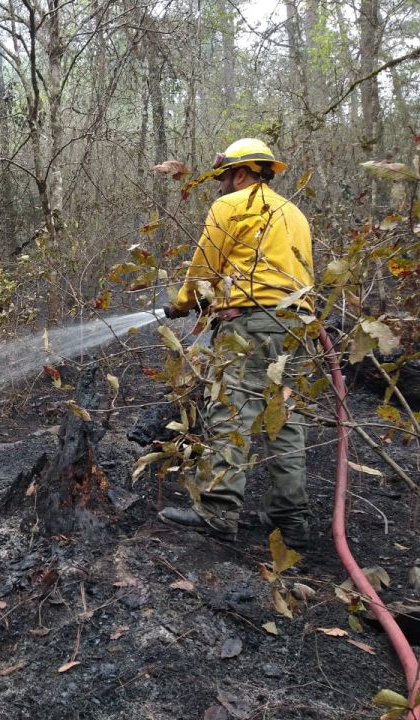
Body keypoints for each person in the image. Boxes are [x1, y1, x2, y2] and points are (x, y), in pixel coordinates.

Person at [158, 138, 315, 548]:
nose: (221, 187)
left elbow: (206, 266)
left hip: (249, 324)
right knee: (284, 419)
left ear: (240, 174)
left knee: (231, 411)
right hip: (296, 324)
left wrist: (181, 305)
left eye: (224, 178)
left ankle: (218, 511)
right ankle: (290, 520)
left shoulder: (229, 206)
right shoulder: (293, 212)